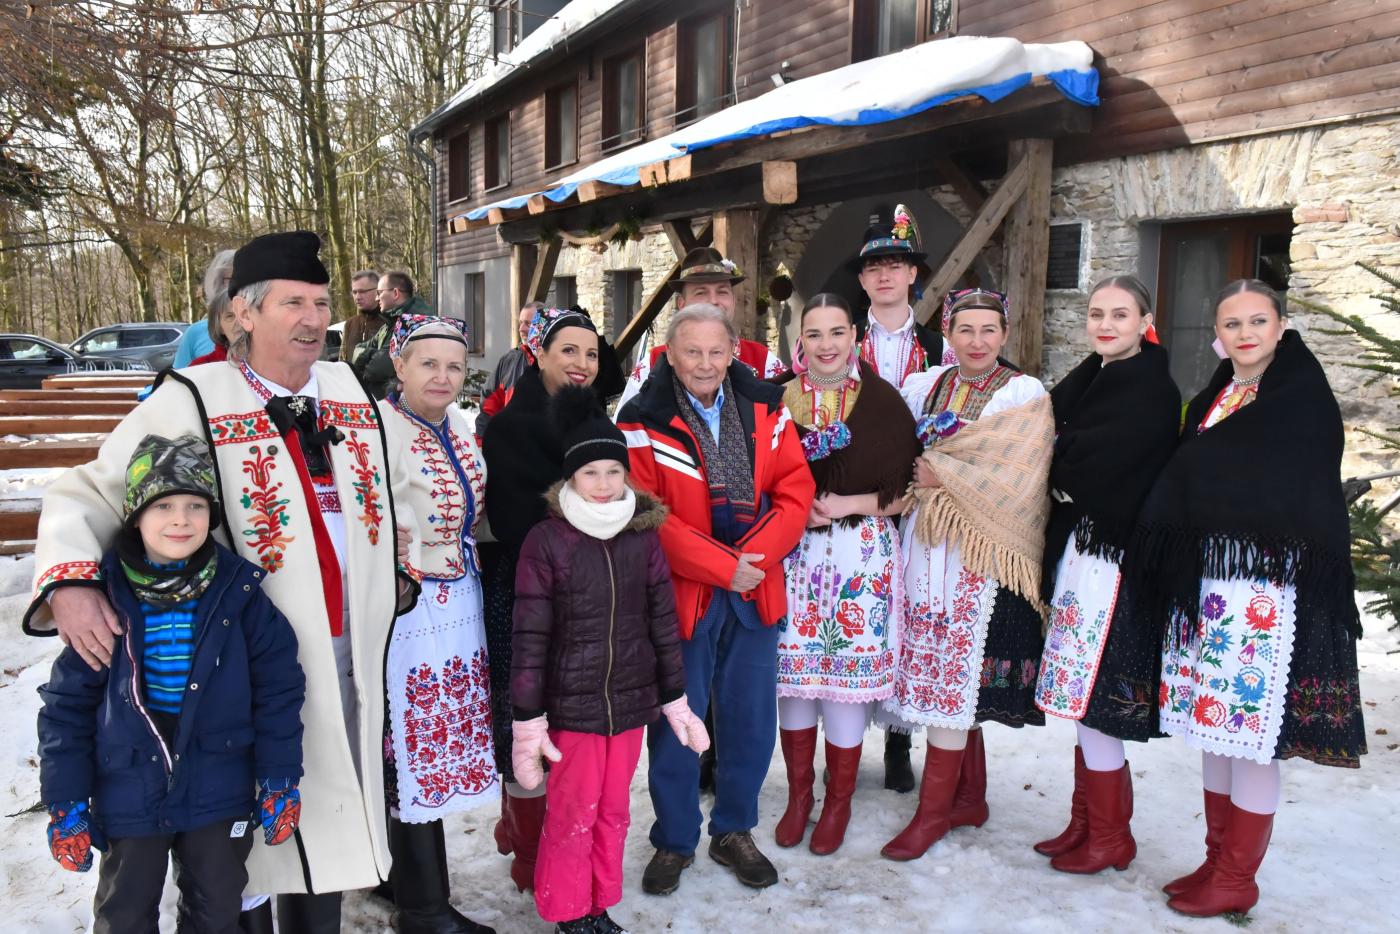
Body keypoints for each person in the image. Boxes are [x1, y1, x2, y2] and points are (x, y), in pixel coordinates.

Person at [26, 230, 422, 934]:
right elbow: (90, 490)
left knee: (325, 815)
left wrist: (400, 566)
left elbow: (399, 490)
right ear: (244, 313)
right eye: (292, 303)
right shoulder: (196, 396)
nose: (311, 319)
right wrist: (72, 584)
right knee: (240, 858)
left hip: (349, 651)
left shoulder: (346, 388)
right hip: (239, 664)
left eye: (322, 302)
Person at [1128, 279, 1366, 918]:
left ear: (1281, 325)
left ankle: (1238, 876)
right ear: (1217, 333)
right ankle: (1215, 858)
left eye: (1258, 321)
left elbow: (1252, 477)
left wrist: (1197, 475)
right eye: (1232, 324)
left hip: (1262, 586)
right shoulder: (1219, 393)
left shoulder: (1299, 398)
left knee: (1248, 730)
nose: (1245, 334)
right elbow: (1192, 467)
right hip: (1208, 584)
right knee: (1214, 725)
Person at [37, 433, 305, 934]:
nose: (180, 519)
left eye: (195, 505)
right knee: (125, 910)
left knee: (217, 907)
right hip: (129, 786)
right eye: (162, 506)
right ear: (136, 516)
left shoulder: (238, 593)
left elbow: (279, 690)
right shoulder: (108, 600)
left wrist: (279, 776)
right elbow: (66, 709)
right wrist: (66, 800)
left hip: (219, 785)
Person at [617, 304, 814, 895]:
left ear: (733, 351)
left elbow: (795, 492)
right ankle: (676, 838)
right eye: (691, 351)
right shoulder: (641, 418)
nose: (705, 363)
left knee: (751, 722)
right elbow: (646, 511)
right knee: (678, 723)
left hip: (756, 591)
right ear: (670, 355)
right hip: (685, 594)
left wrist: (751, 563)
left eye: (715, 351)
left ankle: (734, 830)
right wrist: (724, 568)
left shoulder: (766, 408)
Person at [511, 386, 710, 934]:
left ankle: (599, 904)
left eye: (613, 472)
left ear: (627, 476)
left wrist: (674, 697)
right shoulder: (547, 541)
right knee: (573, 812)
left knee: (614, 811)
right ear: (570, 478)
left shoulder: (641, 539)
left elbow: (661, 625)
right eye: (591, 473)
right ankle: (568, 913)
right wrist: (528, 718)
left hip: (628, 707)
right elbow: (530, 636)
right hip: (571, 710)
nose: (603, 485)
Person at [880, 287, 1052, 861]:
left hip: (975, 550)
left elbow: (1018, 475)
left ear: (1004, 335)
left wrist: (943, 473)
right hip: (921, 542)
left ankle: (933, 815)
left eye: (988, 330)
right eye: (965, 330)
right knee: (930, 667)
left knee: (954, 676)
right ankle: (968, 797)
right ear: (948, 335)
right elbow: (893, 447)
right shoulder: (924, 385)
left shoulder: (1024, 394)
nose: (977, 342)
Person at [1030, 276, 1180, 875]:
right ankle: (1086, 821)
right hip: (1081, 551)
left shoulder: (1150, 389)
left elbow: (1093, 463)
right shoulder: (1092, 375)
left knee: (1096, 692)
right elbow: (1047, 432)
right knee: (1080, 690)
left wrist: (1060, 468)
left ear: (1145, 319)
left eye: (1120, 314)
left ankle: (1112, 836)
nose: (1105, 324)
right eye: (1096, 313)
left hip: (1114, 558)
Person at [773, 293, 919, 855]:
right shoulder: (778, 402)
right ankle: (799, 797)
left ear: (854, 336)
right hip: (795, 559)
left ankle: (838, 803)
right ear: (799, 342)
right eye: (814, 334)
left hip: (860, 557)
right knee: (796, 681)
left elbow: (908, 492)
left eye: (837, 333)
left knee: (844, 683)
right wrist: (790, 503)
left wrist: (846, 503)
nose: (826, 345)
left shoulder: (883, 402)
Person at [481, 306, 607, 893]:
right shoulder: (510, 428)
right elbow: (511, 523)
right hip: (527, 594)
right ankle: (528, 844)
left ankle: (535, 827)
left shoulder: (598, 423)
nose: (581, 364)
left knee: (574, 719)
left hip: (589, 594)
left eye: (592, 354)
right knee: (524, 718)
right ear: (539, 355)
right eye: (569, 352)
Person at [381, 314, 496, 933]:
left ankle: (401, 883)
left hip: (459, 605)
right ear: (400, 366)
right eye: (428, 363)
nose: (443, 376)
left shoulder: (460, 425)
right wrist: (405, 576)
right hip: (407, 608)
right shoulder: (378, 429)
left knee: (433, 749)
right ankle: (422, 907)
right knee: (408, 749)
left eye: (454, 365)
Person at [846, 206, 945, 795]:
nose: (884, 276)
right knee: (862, 614)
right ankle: (846, 734)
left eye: (895, 265)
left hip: (916, 501)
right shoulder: (837, 342)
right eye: (874, 267)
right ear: (862, 281)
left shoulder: (939, 348)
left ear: (913, 275)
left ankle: (901, 739)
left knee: (908, 613)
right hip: (855, 500)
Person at [615, 247, 785, 411]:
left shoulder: (762, 360)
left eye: (722, 292)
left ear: (733, 301)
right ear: (681, 304)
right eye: (701, 292)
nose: (713, 301)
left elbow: (792, 422)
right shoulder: (652, 364)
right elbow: (625, 430)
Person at [356, 270, 432, 398]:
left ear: (395, 293)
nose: (376, 298)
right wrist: (370, 354)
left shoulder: (412, 324)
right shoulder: (390, 322)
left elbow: (376, 369)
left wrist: (366, 355)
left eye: (379, 293)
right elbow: (358, 348)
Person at [476, 301, 543, 436]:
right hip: (509, 448)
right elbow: (490, 404)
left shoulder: (557, 363)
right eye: (520, 323)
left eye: (528, 324)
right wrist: (485, 439)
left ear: (543, 326)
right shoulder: (509, 361)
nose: (521, 329)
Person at [174, 251, 234, 368]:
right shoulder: (195, 333)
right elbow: (179, 378)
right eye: (232, 278)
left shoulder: (261, 329)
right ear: (217, 282)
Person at [341, 269, 383, 363]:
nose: (357, 297)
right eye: (354, 292)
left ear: (378, 291)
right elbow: (343, 359)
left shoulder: (390, 323)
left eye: (362, 292)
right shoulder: (350, 324)